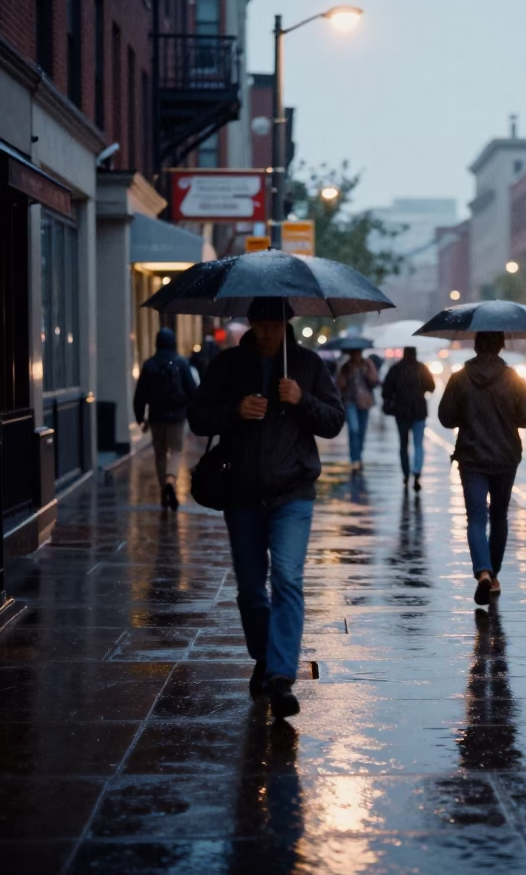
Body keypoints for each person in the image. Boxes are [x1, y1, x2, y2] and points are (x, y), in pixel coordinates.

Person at [188, 298, 344, 719]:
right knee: (252, 591)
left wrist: (301, 399)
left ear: (286, 324)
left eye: (276, 325)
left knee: (288, 579)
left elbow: (334, 421)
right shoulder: (227, 365)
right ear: (251, 323)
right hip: (241, 493)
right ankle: (264, 655)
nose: (269, 333)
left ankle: (280, 676)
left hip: (293, 492)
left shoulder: (308, 365)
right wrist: (234, 412)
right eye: (261, 324)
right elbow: (199, 419)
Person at [438, 331, 526, 605]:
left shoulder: (460, 377)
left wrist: (466, 415)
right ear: (502, 346)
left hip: (471, 458)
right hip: (505, 458)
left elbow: (446, 417)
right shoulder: (514, 379)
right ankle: (493, 576)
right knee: (500, 516)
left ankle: (483, 571)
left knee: (477, 517)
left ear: (476, 345)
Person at [133, 327, 198, 510]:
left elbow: (140, 395)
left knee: (160, 454)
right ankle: (170, 480)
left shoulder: (149, 365)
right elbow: (192, 390)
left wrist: (140, 417)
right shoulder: (181, 363)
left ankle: (164, 488)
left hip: (156, 417)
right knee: (176, 451)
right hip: (177, 416)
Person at [381, 346, 436, 492]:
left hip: (402, 412)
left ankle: (405, 474)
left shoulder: (396, 369)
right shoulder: (422, 368)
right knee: (418, 444)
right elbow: (432, 386)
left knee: (403, 445)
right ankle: (417, 472)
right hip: (419, 411)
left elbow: (385, 391)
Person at [337, 348, 379, 471]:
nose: (356, 355)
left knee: (361, 431)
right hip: (350, 402)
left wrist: (367, 372)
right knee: (353, 429)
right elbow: (340, 385)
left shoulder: (367, 364)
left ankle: (359, 456)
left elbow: (374, 380)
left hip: (364, 402)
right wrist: (344, 374)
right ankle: (354, 459)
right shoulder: (345, 367)